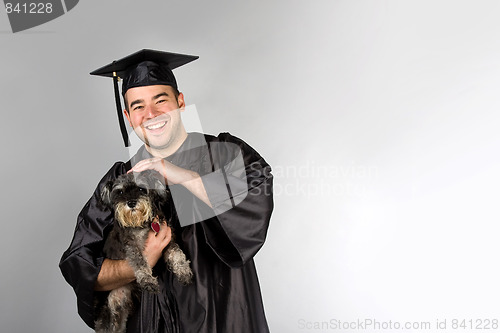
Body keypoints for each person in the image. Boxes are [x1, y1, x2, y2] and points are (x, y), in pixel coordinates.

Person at [59, 49, 274, 332]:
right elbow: (80, 266)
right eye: (138, 106)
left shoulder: (223, 154)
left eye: (161, 100)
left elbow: (253, 206)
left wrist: (181, 176)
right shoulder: (121, 180)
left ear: (180, 102)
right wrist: (140, 263)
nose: (150, 114)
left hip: (223, 318)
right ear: (128, 115)